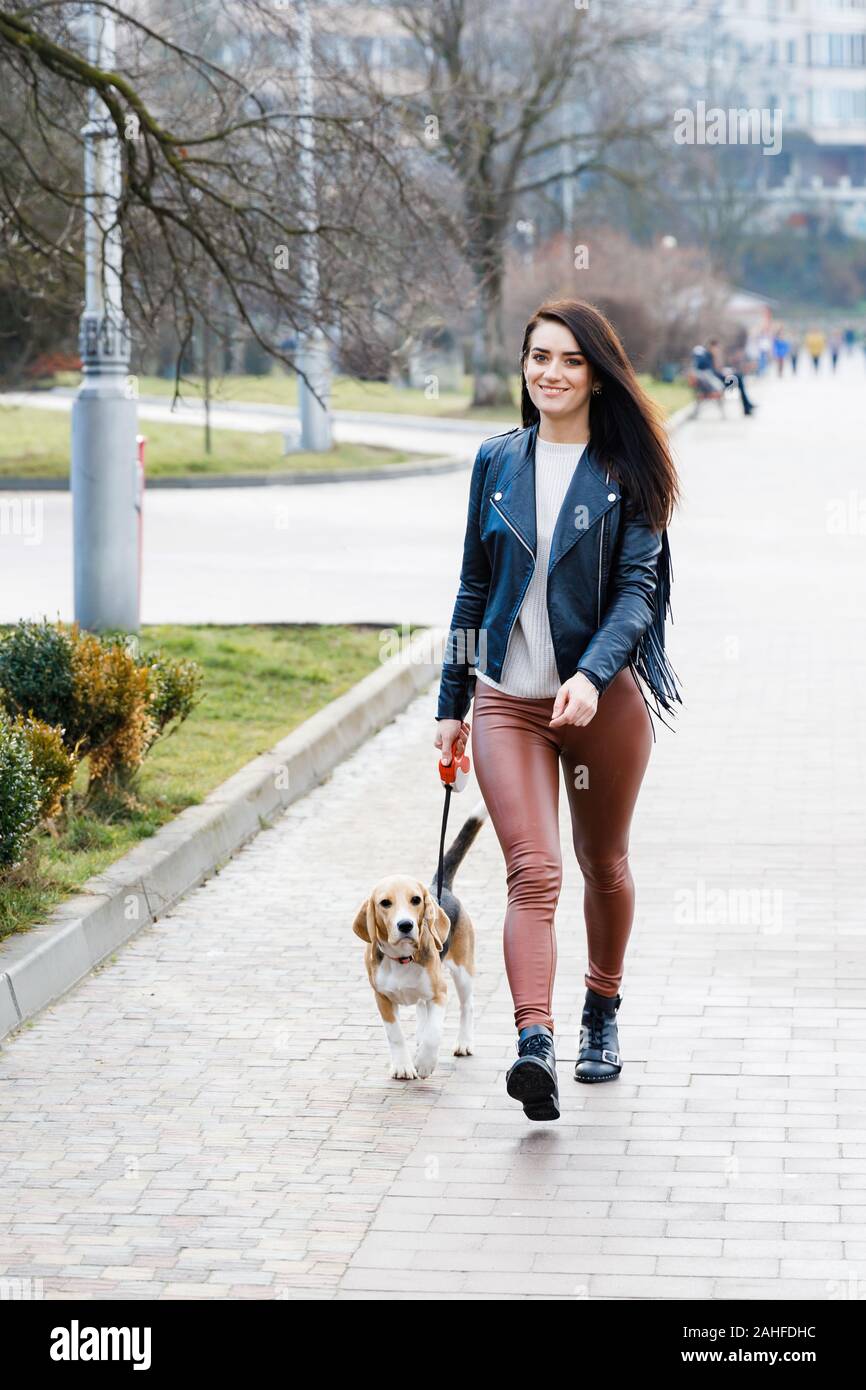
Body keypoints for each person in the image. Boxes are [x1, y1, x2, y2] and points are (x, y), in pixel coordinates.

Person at [433, 298, 683, 1122]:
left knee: (601, 862)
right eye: (539, 356)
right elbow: (474, 587)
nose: (551, 372)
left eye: (571, 360)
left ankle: (601, 1009)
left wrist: (593, 672)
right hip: (508, 700)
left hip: (599, 705)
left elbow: (637, 593)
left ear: (599, 375)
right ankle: (534, 1043)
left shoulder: (628, 475)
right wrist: (452, 703)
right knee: (532, 874)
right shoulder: (496, 462)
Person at [699, 338, 757, 416]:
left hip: (719, 381)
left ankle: (747, 406)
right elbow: (711, 374)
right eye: (716, 348)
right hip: (717, 384)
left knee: (738, 377)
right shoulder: (706, 358)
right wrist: (723, 375)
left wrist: (724, 373)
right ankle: (747, 407)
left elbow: (715, 372)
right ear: (711, 347)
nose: (717, 350)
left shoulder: (710, 357)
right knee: (738, 378)